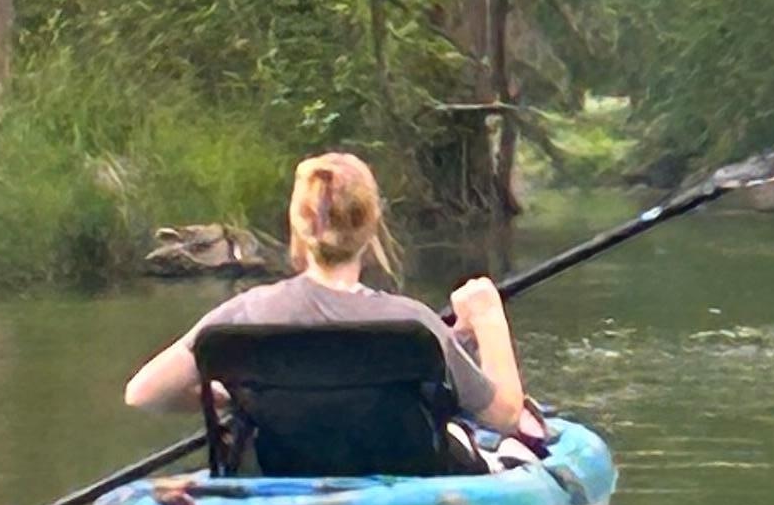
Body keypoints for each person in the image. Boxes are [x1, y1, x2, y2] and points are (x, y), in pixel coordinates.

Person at [124, 148, 533, 448]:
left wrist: (238, 396)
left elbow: (144, 393)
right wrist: (488, 316)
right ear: (373, 226)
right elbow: (506, 416)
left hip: (283, 478)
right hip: (404, 488)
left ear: (298, 227)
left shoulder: (243, 314)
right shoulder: (414, 324)